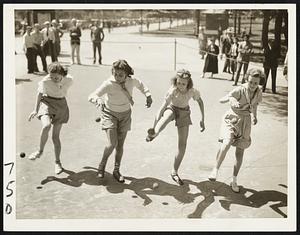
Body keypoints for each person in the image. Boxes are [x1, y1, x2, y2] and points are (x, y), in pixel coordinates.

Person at [88, 59, 153, 183]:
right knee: (112, 143)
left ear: (127, 74)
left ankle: (116, 170)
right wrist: (98, 101)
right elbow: (92, 95)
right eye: (115, 74)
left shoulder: (131, 81)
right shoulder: (108, 84)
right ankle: (102, 165)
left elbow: (141, 85)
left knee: (120, 145)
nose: (117, 77)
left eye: (121, 75)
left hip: (125, 115)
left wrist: (148, 95)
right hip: (109, 114)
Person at [208, 68, 264, 193]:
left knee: (240, 152)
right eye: (251, 82)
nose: (253, 85)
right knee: (227, 142)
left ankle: (234, 180)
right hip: (232, 118)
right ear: (246, 79)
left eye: (256, 83)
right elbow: (230, 97)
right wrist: (233, 101)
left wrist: (255, 116)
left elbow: (254, 105)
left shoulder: (259, 92)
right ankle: (215, 170)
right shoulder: (240, 89)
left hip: (245, 122)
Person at [146, 69, 205, 186]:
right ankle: (154, 134)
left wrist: (202, 119)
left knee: (182, 145)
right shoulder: (172, 90)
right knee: (166, 117)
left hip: (184, 113)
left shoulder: (192, 91)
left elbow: (200, 102)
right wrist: (154, 127)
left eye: (183, 84)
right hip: (172, 109)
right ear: (175, 81)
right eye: (178, 82)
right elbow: (162, 109)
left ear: (188, 83)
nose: (180, 85)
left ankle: (174, 171)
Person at [28, 62, 73, 175]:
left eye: (56, 77)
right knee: (46, 125)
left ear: (62, 74)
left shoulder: (69, 79)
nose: (53, 79)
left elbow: (66, 77)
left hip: (61, 106)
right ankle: (40, 151)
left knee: (55, 137)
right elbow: (39, 94)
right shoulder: (45, 81)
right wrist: (35, 110)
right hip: (47, 102)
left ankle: (57, 163)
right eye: (51, 77)